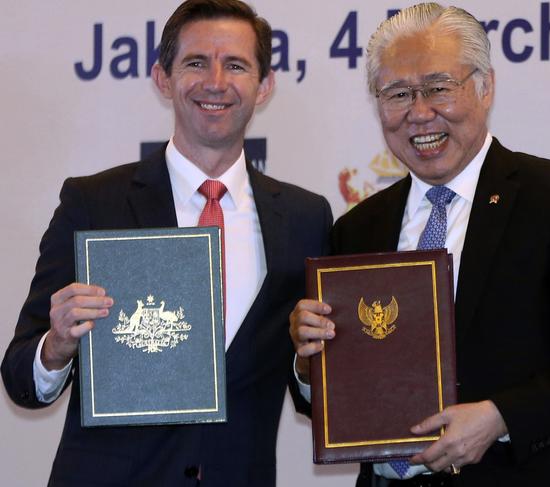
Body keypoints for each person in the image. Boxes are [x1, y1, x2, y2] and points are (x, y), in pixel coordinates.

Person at [289, 3, 550, 486]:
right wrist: (310, 363)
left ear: (485, 86)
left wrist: (499, 418)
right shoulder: (357, 228)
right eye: (398, 93)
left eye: (439, 87)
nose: (419, 112)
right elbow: (342, 398)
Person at [1, 1, 331, 486]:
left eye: (236, 65)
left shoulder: (306, 217)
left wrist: (307, 362)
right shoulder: (94, 203)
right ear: (162, 78)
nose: (215, 81)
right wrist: (57, 346)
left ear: (264, 86)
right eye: (196, 62)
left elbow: (311, 396)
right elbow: (21, 381)